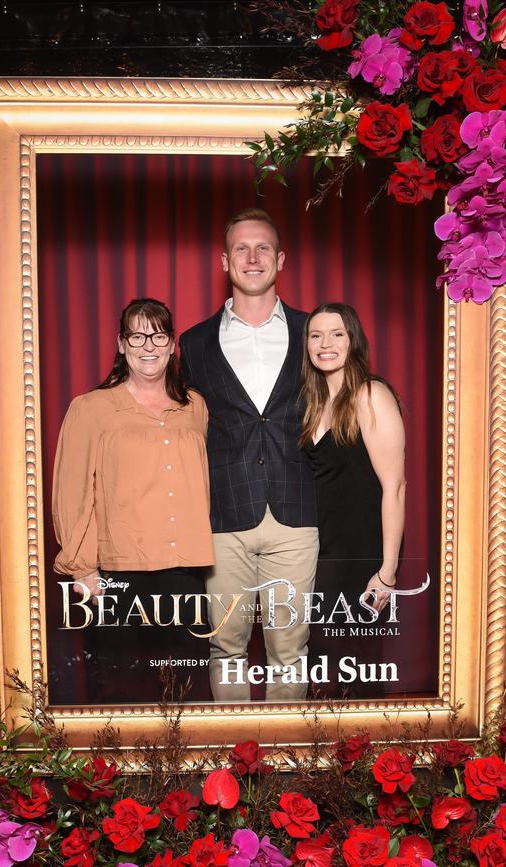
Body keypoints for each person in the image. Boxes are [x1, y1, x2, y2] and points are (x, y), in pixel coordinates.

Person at [180, 209, 318, 702]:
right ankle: (232, 767)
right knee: (226, 647)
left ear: (280, 260)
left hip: (296, 512)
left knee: (290, 648)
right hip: (223, 516)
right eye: (242, 248)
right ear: (224, 261)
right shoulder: (193, 343)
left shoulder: (314, 332)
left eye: (263, 248)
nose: (253, 257)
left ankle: (285, 766)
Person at [52, 298, 215, 704]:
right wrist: (82, 569)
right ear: (121, 343)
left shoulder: (194, 407)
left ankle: (196, 768)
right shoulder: (91, 409)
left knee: (189, 688)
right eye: (137, 335)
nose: (148, 345)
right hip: (116, 573)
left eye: (158, 335)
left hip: (184, 571)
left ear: (172, 344)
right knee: (117, 688)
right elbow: (71, 493)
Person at [300, 302, 406, 698]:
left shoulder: (369, 394)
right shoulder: (313, 402)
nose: (325, 343)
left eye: (336, 334)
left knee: (358, 671)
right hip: (322, 552)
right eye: (316, 335)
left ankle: (365, 760)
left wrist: (388, 571)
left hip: (361, 555)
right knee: (320, 667)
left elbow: (395, 486)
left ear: (353, 341)